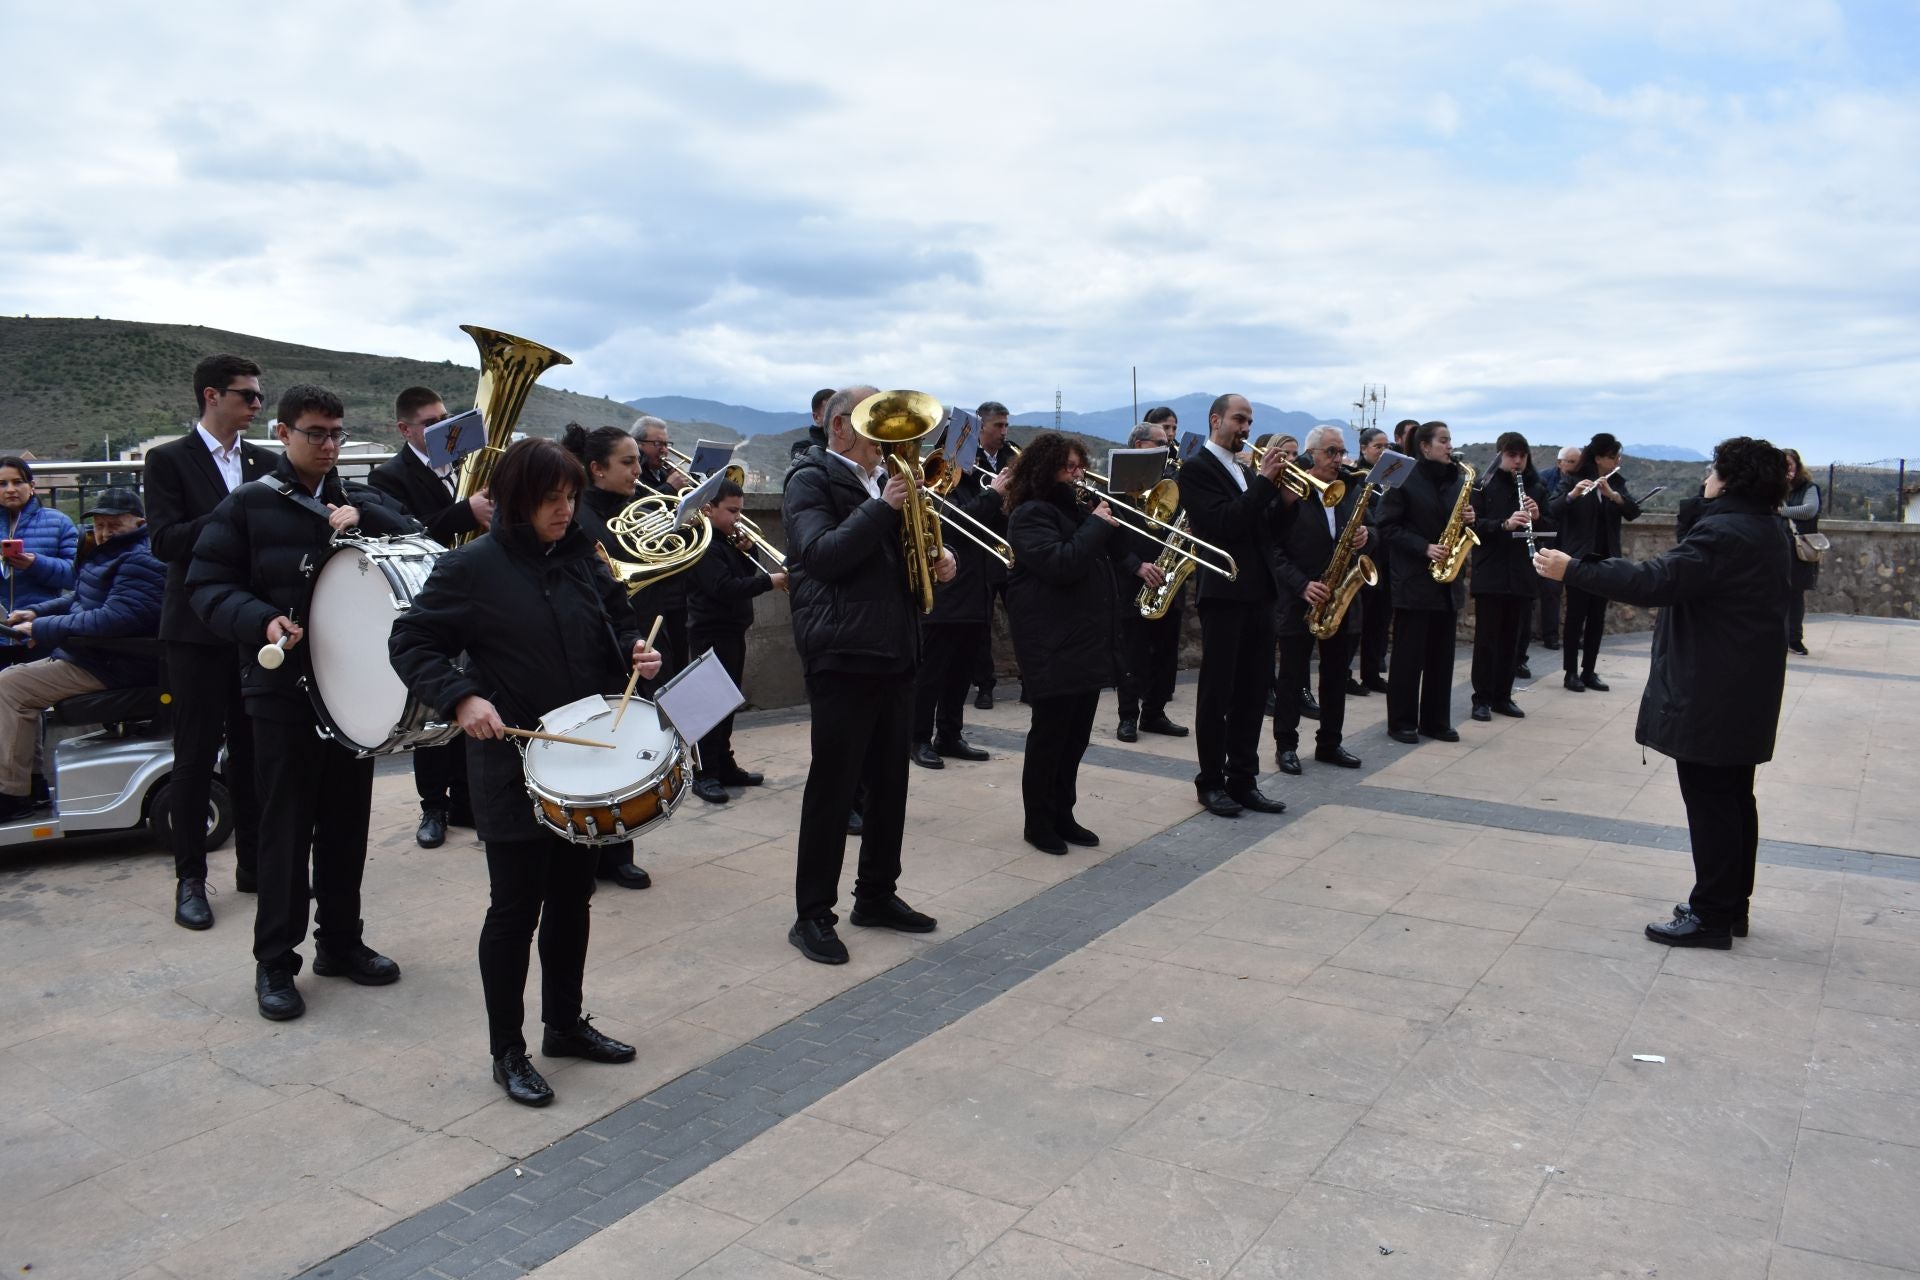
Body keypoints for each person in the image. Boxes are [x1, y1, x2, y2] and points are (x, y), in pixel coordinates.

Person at [391, 437, 663, 1106]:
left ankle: (564, 1025)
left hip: (585, 762)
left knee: (573, 898)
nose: (564, 510)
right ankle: (506, 1051)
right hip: (512, 764)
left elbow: (617, 620)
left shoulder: (580, 557)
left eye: (570, 498)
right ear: (517, 500)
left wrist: (635, 652)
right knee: (515, 911)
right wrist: (461, 697)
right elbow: (411, 640)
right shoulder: (471, 567)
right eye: (551, 500)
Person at [188, 384, 415, 1021]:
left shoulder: (355, 496)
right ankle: (275, 962)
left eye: (337, 433)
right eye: (316, 433)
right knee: (285, 832)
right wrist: (261, 619)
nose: (329, 445)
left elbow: (416, 537)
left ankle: (340, 943)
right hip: (281, 693)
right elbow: (206, 586)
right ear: (283, 434)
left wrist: (362, 516)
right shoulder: (247, 505)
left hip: (352, 693)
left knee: (346, 826)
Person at [1533, 437, 1791, 949]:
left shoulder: (1725, 533)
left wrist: (1575, 569)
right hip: (1744, 683)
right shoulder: (1766, 526)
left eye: (1713, 470)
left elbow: (1656, 581)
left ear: (1731, 480)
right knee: (1735, 798)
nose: (1705, 478)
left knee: (1712, 801)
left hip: (1715, 686)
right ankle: (1729, 905)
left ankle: (1712, 916)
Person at [781, 385, 954, 965]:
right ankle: (812, 915)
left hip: (894, 647)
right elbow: (821, 556)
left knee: (889, 784)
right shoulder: (810, 479)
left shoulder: (882, 480)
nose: (886, 439)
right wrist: (883, 507)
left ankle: (876, 894)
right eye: (872, 424)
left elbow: (896, 555)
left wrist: (937, 558)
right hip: (842, 652)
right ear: (839, 428)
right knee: (833, 790)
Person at [142, 355, 274, 929]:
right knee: (194, 755)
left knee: (253, 752)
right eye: (248, 395)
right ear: (212, 396)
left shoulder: (265, 461)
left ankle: (256, 864)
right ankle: (190, 879)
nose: (257, 405)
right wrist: (235, 510)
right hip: (194, 630)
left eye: (260, 396)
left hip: (253, 626)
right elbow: (165, 542)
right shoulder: (168, 460)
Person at [1003, 433, 1158, 853]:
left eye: (1079, 467)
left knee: (1075, 738)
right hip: (1052, 644)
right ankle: (1038, 822)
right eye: (1067, 468)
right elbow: (1061, 563)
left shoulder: (1079, 509)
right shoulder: (1030, 515)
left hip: (1086, 642)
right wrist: (1096, 524)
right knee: (1050, 738)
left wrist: (1106, 519)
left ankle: (1063, 813)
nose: (1076, 475)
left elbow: (1109, 554)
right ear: (1044, 470)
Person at [367, 385, 494, 849]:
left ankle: (467, 800)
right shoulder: (387, 476)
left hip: (476, 592)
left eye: (446, 419)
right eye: (431, 423)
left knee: (474, 692)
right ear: (405, 429)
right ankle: (433, 806)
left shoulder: (468, 464)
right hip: (430, 598)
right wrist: (465, 512)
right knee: (433, 703)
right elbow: (402, 534)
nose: (444, 429)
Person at [0, 488, 164, 819]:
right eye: (99, 525)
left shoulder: (140, 560)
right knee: (12, 682)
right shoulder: (112, 554)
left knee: (11, 686)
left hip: (112, 663)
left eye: (113, 525)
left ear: (139, 523)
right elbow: (79, 599)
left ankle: (12, 794)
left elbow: (113, 618)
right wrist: (36, 613)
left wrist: (42, 628)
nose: (103, 532)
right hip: (94, 656)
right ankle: (28, 784)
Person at [1179, 393, 1298, 817]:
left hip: (1260, 593)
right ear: (1216, 420)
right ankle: (1210, 782)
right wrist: (1265, 483)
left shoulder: (1245, 470)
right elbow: (1223, 524)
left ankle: (1244, 779)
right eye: (1239, 419)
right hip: (1224, 593)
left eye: (1249, 421)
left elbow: (1265, 532)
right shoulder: (1196, 469)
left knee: (1252, 692)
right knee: (1218, 693)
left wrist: (1286, 503)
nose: (1246, 429)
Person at [560, 423, 656, 890]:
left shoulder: (628, 506)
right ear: (596, 469)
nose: (638, 470)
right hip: (588, 650)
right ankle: (589, 852)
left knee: (623, 752)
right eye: (628, 462)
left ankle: (619, 852)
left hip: (625, 640)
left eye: (638, 460)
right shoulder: (579, 517)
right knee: (591, 755)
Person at [909, 411, 1007, 770]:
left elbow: (991, 527)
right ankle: (918, 738)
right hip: (945, 596)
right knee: (931, 674)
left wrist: (1005, 498)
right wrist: (994, 495)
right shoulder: (935, 479)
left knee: (961, 673)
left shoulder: (973, 482)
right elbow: (954, 524)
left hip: (975, 590)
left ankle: (949, 734)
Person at [1272, 427, 1367, 774]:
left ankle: (1330, 743)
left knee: (1336, 676)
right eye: (1331, 452)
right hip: (1300, 598)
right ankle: (1286, 746)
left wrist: (1367, 535)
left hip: (1338, 597)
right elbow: (1272, 549)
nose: (1338, 459)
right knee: (1291, 678)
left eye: (1341, 452)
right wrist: (1301, 586)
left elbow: (1372, 530)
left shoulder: (1348, 490)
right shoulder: (1292, 491)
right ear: (1311, 454)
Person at [685, 478, 786, 802]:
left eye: (740, 510)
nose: (737, 518)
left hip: (731, 631)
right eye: (731, 511)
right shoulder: (703, 545)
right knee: (709, 707)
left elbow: (740, 575)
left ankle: (723, 765)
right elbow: (724, 588)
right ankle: (704, 773)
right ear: (708, 509)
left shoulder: (726, 541)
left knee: (727, 704)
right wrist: (769, 582)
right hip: (710, 633)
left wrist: (749, 551)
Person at [1375, 421, 1474, 744]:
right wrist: (1424, 547)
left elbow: (1455, 525)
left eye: (1450, 440)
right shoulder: (1401, 475)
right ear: (1424, 446)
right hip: (1414, 580)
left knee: (1441, 659)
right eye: (1443, 440)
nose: (1450, 446)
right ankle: (1401, 722)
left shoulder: (1456, 479)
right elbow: (1386, 526)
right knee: (1408, 657)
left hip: (1446, 584)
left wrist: (1468, 520)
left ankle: (1436, 721)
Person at [1548, 432, 1642, 692]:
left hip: (1605, 558)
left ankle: (1589, 671)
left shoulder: (1616, 482)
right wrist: (1573, 494)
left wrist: (1613, 495)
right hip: (1579, 558)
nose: (1617, 461)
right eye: (1613, 456)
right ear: (1599, 458)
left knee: (1597, 617)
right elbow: (1552, 509)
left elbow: (1633, 512)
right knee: (1576, 616)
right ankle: (1570, 672)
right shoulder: (1573, 479)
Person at [1114, 418, 1189, 742]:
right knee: (1132, 654)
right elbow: (1111, 536)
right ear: (1139, 446)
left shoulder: (1171, 480)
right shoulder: (1118, 486)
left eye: (1167, 444)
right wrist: (1136, 566)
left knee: (1166, 652)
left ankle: (1155, 713)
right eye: (1160, 443)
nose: (1167, 448)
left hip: (1169, 575)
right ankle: (1128, 716)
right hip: (1133, 579)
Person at [1468, 432, 1545, 723]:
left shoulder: (1536, 487)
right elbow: (1473, 527)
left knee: (1513, 642)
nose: (1518, 461)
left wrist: (1538, 517)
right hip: (1491, 573)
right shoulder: (1481, 486)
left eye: (1522, 456)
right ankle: (1481, 699)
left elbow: (1553, 528)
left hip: (1522, 574)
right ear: (1500, 455)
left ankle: (1503, 697)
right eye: (1512, 455)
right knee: (1486, 641)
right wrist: (1505, 524)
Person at [0, 458, 80, 676]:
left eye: (18, 482)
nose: (10, 489)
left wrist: (36, 564)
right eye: (2, 484)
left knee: (33, 690)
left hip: (38, 629)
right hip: (1, 631)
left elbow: (76, 576)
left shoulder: (58, 522)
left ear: (32, 486)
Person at [630, 416, 692, 678]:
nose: (664, 450)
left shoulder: (664, 473)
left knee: (680, 657)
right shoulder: (636, 478)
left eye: (667, 444)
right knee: (661, 662)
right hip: (653, 582)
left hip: (677, 581)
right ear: (639, 444)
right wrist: (668, 488)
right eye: (658, 444)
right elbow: (636, 513)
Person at [970, 401, 1020, 710]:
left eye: (1006, 425)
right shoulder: (966, 458)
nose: (1004, 432)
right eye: (998, 426)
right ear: (981, 427)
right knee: (981, 624)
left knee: (1024, 617)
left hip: (1011, 547)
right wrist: (995, 492)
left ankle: (1030, 681)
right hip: (980, 549)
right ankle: (984, 685)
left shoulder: (1012, 456)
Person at [1348, 426, 1394, 698]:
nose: (1383, 451)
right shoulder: (1357, 477)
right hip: (1366, 558)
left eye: (1386, 446)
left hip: (1387, 559)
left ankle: (1372, 673)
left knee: (1379, 621)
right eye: (1378, 447)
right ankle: (1345, 674)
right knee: (1356, 623)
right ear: (1364, 448)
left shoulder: (1390, 478)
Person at [1532, 446, 1581, 652]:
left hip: (1572, 543)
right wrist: (1571, 496)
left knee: (1574, 593)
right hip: (1549, 542)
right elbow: (1549, 511)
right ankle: (1548, 636)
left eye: (1577, 462)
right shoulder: (1544, 479)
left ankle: (1571, 636)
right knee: (1548, 592)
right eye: (1571, 462)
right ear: (1559, 463)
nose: (1575, 466)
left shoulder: (1582, 479)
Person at [1782, 448, 1821, 656]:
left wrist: (1780, 510)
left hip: (1798, 549)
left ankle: (1794, 638)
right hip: (1776, 546)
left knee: (1795, 595)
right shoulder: (1772, 488)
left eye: (1789, 464)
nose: (1787, 469)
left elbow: (1809, 510)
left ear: (1797, 465)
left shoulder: (1809, 487)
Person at [791, 388, 836, 460]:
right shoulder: (802, 447)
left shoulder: (850, 443)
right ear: (816, 417)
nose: (838, 416)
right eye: (831, 411)